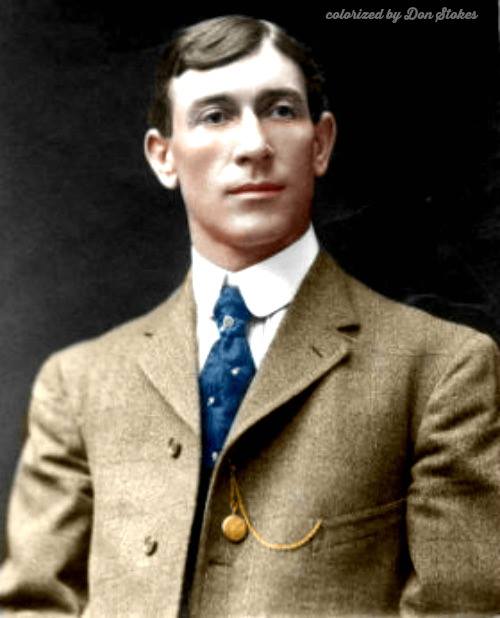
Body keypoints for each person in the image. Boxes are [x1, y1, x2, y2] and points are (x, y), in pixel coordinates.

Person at [1, 14, 499, 617]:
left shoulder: (441, 369)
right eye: (215, 116)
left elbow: (463, 609)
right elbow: (33, 606)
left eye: (280, 110)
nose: (254, 145)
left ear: (320, 143)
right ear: (164, 156)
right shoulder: (78, 383)